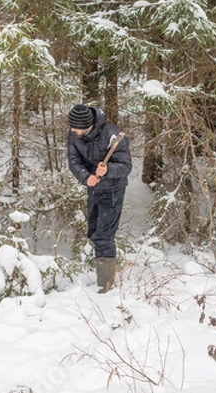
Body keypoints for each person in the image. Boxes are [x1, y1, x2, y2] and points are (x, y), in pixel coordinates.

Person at [67, 104, 132, 293]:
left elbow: (126, 166)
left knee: (104, 236)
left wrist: (108, 170)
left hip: (112, 190)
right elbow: (74, 160)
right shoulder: (74, 134)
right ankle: (104, 275)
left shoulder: (112, 135)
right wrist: (85, 177)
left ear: (88, 125)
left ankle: (106, 286)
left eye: (76, 127)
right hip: (93, 189)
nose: (72, 130)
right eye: (71, 126)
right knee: (94, 232)